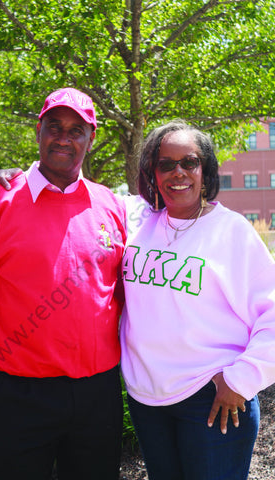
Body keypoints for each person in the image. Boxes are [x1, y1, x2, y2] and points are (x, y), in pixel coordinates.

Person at [0, 87, 127, 480]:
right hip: (18, 394)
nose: (64, 138)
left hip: (96, 394)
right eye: (55, 126)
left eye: (76, 130)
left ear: (91, 138)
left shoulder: (110, 205)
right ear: (39, 131)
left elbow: (121, 292)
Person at [119, 120, 275, 480]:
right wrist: (22, 175)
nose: (178, 172)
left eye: (189, 162)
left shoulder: (231, 231)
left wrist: (242, 380)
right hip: (147, 400)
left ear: (205, 171)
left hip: (211, 399)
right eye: (165, 164)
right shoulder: (138, 222)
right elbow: (77, 195)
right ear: (152, 173)